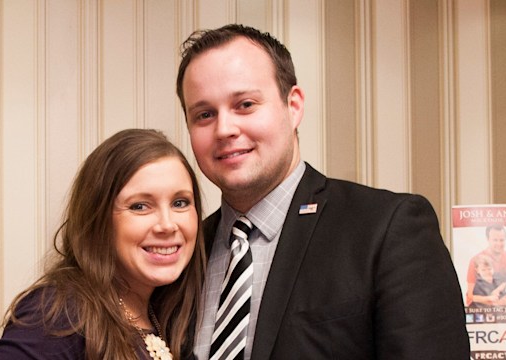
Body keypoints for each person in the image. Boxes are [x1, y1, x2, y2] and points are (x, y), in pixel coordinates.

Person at [176, 24, 469, 359]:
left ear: (294, 105)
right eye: (204, 114)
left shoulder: (386, 228)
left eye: (245, 104)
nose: (225, 129)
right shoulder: (183, 255)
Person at [0, 129, 205, 360]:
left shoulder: (166, 315)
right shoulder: (59, 314)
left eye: (180, 202)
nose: (167, 224)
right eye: (140, 206)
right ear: (99, 218)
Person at [466, 224, 506, 306]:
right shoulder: (475, 260)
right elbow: (470, 296)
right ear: (488, 239)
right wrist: (493, 302)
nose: (499, 243)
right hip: (482, 307)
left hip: (502, 305)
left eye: (502, 240)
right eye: (495, 240)